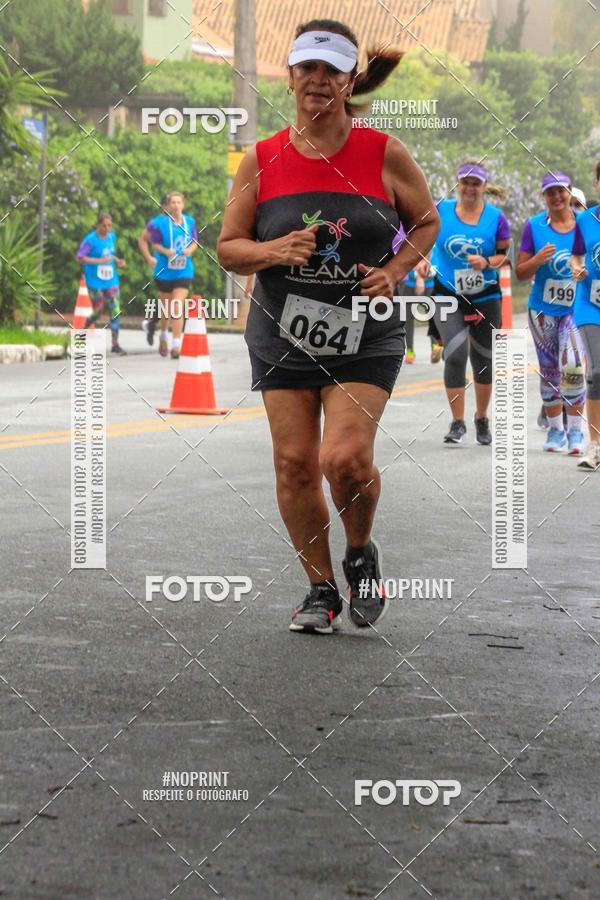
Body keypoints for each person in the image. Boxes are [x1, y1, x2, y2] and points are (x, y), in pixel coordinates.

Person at [217, 18, 439, 634]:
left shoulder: (382, 152)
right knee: (294, 463)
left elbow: (425, 223)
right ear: (289, 77)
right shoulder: (262, 159)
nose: (318, 81)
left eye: (331, 71)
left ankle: (360, 552)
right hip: (282, 332)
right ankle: (321, 590)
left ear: (349, 81)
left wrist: (395, 272)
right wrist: (273, 251)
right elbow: (229, 248)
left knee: (343, 458)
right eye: (306, 68)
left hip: (364, 330)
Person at [429, 161, 511, 445]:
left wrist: (487, 262)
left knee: (483, 359)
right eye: (465, 182)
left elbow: (504, 256)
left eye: (476, 183)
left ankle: (481, 417)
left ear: (484, 187)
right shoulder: (440, 209)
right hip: (447, 293)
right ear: (458, 183)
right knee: (454, 355)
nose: (470, 188)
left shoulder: (496, 218)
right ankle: (457, 422)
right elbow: (419, 231)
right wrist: (417, 259)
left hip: (485, 295)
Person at [517, 172, 585, 455]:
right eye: (550, 193)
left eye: (561, 191)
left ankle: (576, 432)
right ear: (543, 197)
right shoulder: (534, 226)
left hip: (575, 309)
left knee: (572, 366)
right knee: (549, 370)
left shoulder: (587, 225)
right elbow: (520, 273)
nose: (556, 197)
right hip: (542, 310)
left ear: (569, 192)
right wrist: (537, 260)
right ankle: (556, 430)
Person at [571, 161, 600, 469]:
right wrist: (576, 268)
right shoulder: (586, 220)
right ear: (597, 184)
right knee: (596, 371)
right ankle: (594, 445)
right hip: (590, 303)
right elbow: (576, 254)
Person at [148, 191, 198, 359]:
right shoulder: (161, 223)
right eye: (173, 202)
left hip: (184, 270)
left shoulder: (189, 221)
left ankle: (176, 344)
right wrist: (166, 251)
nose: (176, 205)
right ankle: (163, 333)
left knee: (177, 305)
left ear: (183, 205)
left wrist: (189, 251)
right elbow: (154, 244)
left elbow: (194, 242)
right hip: (164, 271)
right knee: (166, 308)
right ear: (169, 205)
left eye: (179, 202)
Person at [76, 212, 126, 354]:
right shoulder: (90, 240)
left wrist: (117, 261)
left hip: (111, 280)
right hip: (94, 281)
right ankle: (82, 332)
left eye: (109, 226)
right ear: (98, 225)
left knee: (115, 310)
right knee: (98, 311)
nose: (107, 228)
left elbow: (108, 254)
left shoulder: (111, 237)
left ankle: (115, 344)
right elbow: (80, 258)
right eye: (104, 225)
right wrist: (98, 261)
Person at [138, 193, 168, 346]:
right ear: (163, 206)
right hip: (162, 268)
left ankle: (152, 324)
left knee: (169, 302)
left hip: (179, 270)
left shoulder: (183, 221)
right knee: (168, 302)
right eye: (169, 203)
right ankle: (165, 336)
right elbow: (142, 240)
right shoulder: (155, 223)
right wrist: (149, 258)